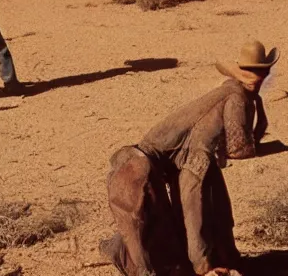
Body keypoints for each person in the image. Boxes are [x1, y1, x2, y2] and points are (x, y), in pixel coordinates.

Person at [101, 41, 278, 276]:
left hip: (172, 159)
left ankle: (215, 258)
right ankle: (204, 264)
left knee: (211, 202)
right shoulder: (237, 98)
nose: (261, 77)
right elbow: (240, 149)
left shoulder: (231, 90)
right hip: (159, 163)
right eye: (260, 72)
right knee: (195, 208)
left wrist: (258, 105)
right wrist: (201, 264)